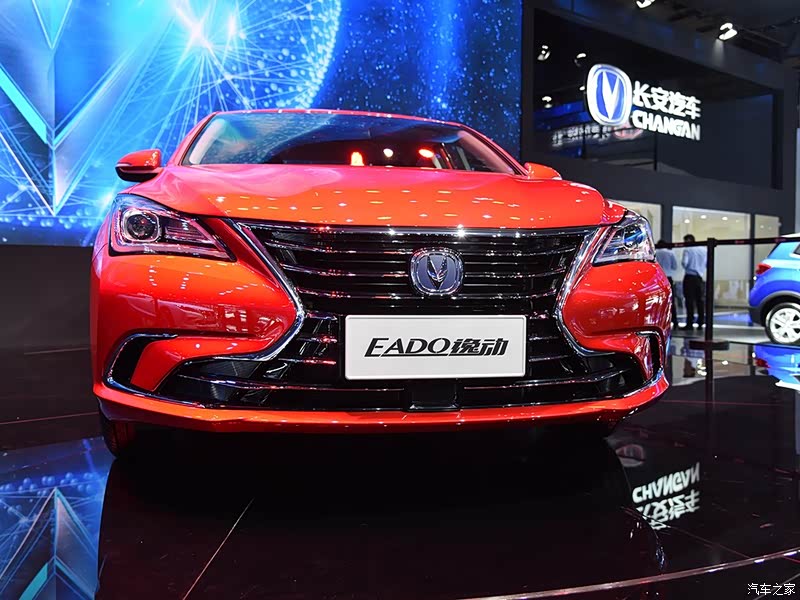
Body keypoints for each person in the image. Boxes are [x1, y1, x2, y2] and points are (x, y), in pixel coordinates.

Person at [681, 234, 707, 329]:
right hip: (699, 277)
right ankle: (701, 322)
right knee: (700, 300)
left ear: (688, 241)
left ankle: (690, 323)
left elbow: (684, 263)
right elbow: (707, 263)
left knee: (689, 301)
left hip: (689, 277)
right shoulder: (704, 250)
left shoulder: (687, 250)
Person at [655, 240, 679, 329]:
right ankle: (675, 321)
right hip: (668, 278)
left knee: (658, 302)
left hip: (658, 279)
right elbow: (675, 266)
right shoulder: (670, 253)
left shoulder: (656, 253)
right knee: (671, 301)